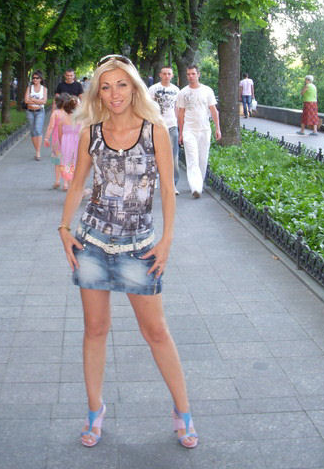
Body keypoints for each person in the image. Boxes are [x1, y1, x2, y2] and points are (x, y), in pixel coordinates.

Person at [58, 54, 199, 449]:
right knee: (94, 329)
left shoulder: (154, 131)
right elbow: (77, 184)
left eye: (122, 84)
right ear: (97, 93)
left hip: (139, 247)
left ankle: (183, 411)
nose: (114, 93)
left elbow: (168, 188)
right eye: (106, 86)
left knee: (156, 331)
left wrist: (166, 240)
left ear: (134, 88)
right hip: (92, 244)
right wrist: (64, 228)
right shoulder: (91, 132)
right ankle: (94, 410)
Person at [176, 65, 221, 198]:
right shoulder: (183, 93)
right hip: (189, 130)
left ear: (198, 74)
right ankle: (195, 187)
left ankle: (199, 184)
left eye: (193, 74)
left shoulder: (207, 91)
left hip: (204, 130)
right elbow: (180, 114)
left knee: (202, 158)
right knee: (192, 158)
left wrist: (218, 128)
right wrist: (180, 132)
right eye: (188, 74)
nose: (191, 76)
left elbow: (214, 111)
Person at [149, 66, 181, 195]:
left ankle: (173, 184)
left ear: (172, 75)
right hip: (157, 125)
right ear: (160, 75)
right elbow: (149, 107)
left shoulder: (176, 90)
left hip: (172, 126)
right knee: (154, 154)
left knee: (173, 156)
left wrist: (178, 124)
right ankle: (154, 179)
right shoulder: (153, 89)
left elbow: (178, 108)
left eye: (169, 74)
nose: (166, 76)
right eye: (164, 73)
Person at [44, 94, 69, 188]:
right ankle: (66, 183)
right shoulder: (70, 114)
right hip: (68, 140)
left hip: (57, 140)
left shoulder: (55, 113)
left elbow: (50, 126)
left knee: (57, 161)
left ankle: (57, 181)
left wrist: (46, 138)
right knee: (66, 162)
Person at [58, 95, 81, 191]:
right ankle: (75, 183)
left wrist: (61, 144)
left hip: (66, 143)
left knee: (66, 162)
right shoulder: (81, 119)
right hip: (77, 142)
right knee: (76, 162)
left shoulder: (63, 119)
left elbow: (60, 134)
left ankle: (66, 183)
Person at [24, 71, 47, 160]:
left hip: (40, 111)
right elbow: (26, 100)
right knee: (33, 131)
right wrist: (38, 101)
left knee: (38, 130)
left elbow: (44, 101)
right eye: (33, 78)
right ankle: (37, 150)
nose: (35, 79)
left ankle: (38, 152)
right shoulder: (29, 88)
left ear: (40, 79)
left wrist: (32, 99)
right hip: (30, 111)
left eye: (37, 78)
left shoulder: (44, 89)